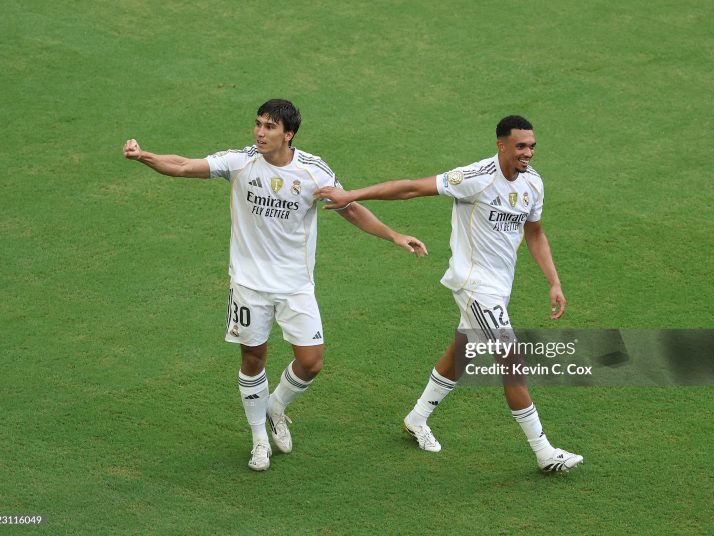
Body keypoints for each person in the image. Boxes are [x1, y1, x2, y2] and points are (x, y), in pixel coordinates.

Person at [122, 99, 427, 471]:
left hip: (295, 286)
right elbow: (184, 165)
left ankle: (276, 405)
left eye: (269, 127)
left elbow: (349, 207)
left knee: (311, 362)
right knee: (253, 359)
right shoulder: (241, 162)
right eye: (258, 124)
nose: (259, 132)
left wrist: (394, 236)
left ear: (289, 134)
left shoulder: (313, 172)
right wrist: (143, 156)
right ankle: (258, 440)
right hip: (249, 285)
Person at [317, 115, 583, 472]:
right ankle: (544, 453)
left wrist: (554, 281)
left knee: (464, 352)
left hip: (498, 288)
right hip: (473, 285)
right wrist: (352, 194)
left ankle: (417, 418)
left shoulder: (533, 184)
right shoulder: (475, 178)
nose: (528, 153)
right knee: (512, 362)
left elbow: (534, 232)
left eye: (532, 146)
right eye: (521, 146)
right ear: (501, 145)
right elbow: (411, 188)